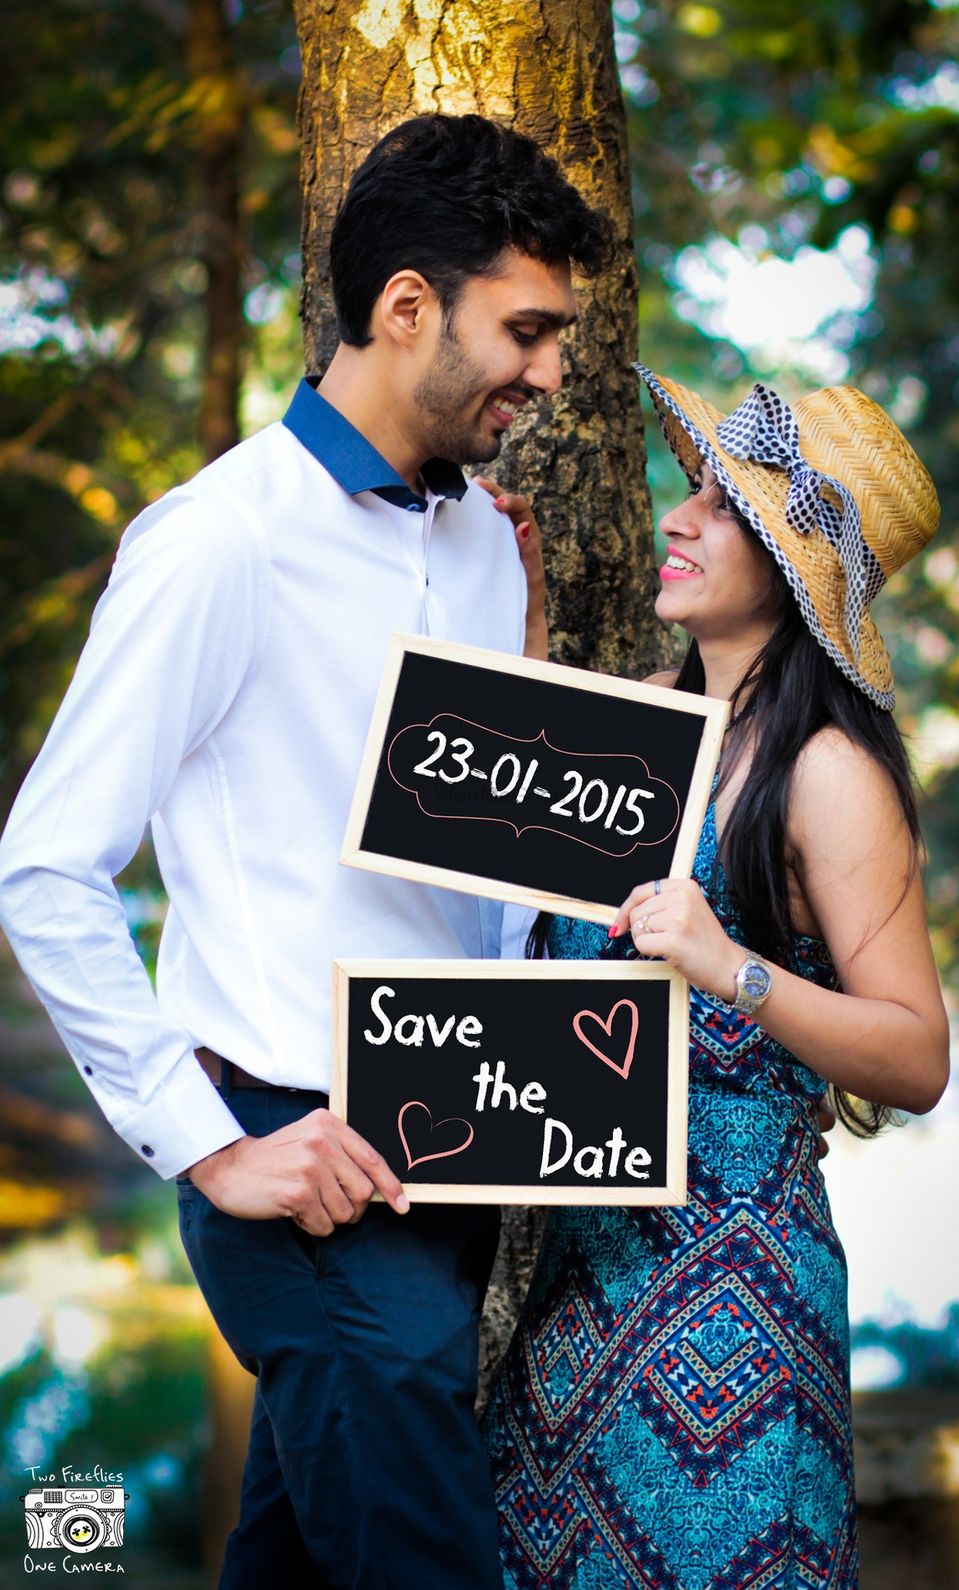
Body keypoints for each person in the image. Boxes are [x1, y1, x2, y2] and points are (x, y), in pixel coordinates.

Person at [0, 114, 613, 1589]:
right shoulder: (218, 542)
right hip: (307, 1157)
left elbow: (467, 877)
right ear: (409, 307)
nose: (548, 373)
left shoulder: (480, 541)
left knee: (289, 1558)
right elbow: (43, 866)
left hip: (458, 1132)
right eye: (526, 331)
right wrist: (210, 1142)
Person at [483, 367, 950, 1588]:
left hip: (734, 1304)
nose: (677, 519)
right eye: (688, 490)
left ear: (797, 573)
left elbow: (916, 1057)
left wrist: (728, 965)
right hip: (577, 1307)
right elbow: (508, 897)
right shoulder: (641, 719)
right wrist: (515, 615)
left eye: (723, 506)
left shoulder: (829, 772)